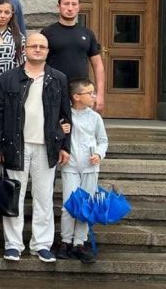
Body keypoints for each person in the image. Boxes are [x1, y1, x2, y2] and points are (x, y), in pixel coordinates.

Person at [0, 33, 71, 264]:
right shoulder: (8, 78)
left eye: (42, 47)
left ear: (48, 51)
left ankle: (42, 244)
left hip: (47, 147)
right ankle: (13, 244)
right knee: (13, 196)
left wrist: (65, 145)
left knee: (44, 198)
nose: (37, 49)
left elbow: (66, 114)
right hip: (15, 146)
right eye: (33, 46)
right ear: (24, 49)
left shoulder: (58, 79)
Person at [56, 78, 107, 264]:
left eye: (94, 93)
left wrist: (99, 154)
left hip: (90, 168)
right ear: (76, 96)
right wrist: (60, 130)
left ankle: (79, 242)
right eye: (90, 93)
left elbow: (103, 140)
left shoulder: (95, 118)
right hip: (70, 166)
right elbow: (57, 135)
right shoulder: (65, 116)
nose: (94, 96)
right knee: (69, 204)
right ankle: (65, 241)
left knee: (86, 204)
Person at [40, 0, 105, 113]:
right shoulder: (47, 33)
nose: (70, 8)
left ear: (79, 7)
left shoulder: (87, 34)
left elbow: (98, 65)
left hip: (81, 91)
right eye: (66, 4)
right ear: (59, 6)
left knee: (81, 124)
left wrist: (100, 94)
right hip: (54, 89)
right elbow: (38, 63)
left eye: (74, 4)